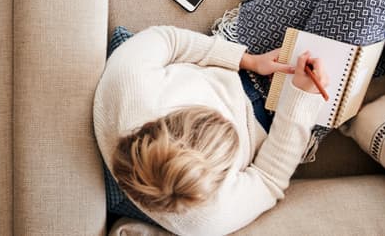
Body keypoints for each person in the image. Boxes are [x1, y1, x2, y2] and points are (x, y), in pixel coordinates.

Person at [93, 25, 329, 236]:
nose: (228, 115)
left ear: (174, 115)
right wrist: (301, 97)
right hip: (275, 120)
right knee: (360, 6)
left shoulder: (127, 84)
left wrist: (248, 61)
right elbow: (269, 179)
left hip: (237, 59)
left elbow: (168, 39)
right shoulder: (209, 221)